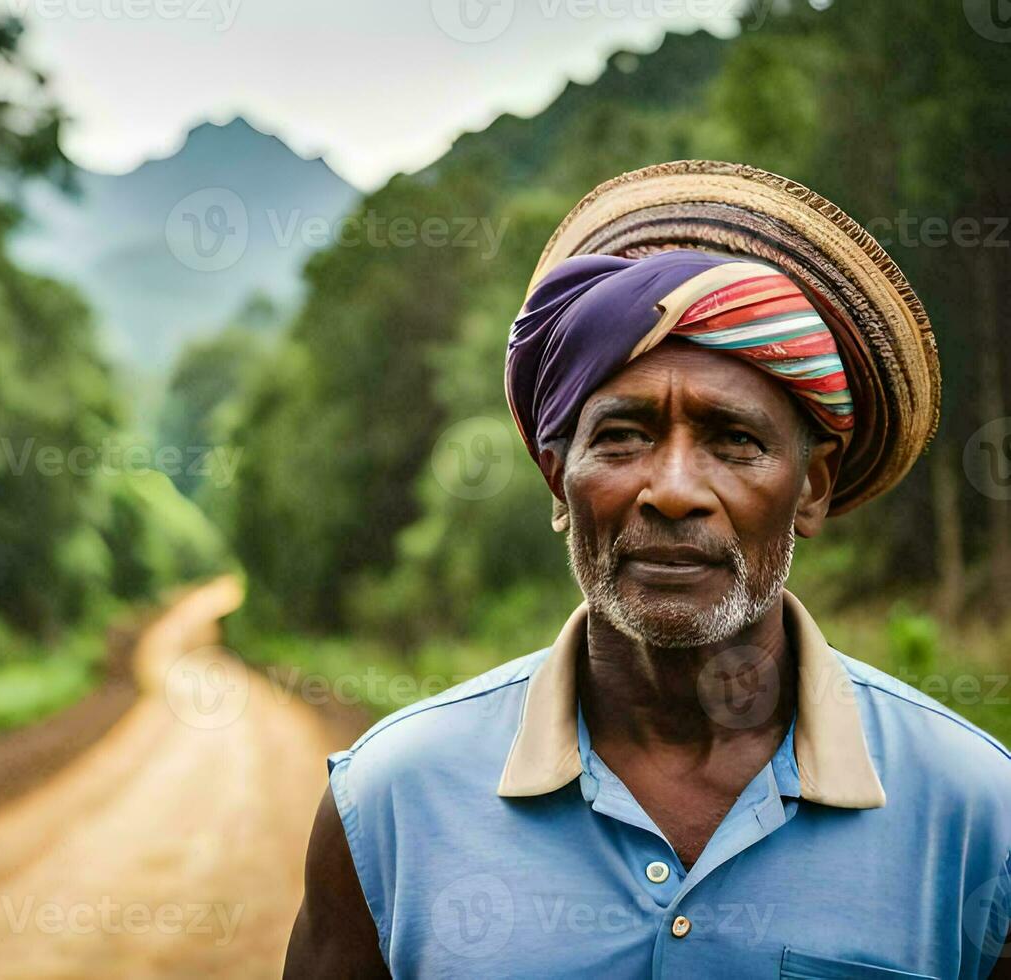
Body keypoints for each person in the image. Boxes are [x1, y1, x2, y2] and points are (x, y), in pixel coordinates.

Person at [284, 162, 1011, 979]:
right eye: (621, 436)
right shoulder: (391, 804)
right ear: (559, 480)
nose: (670, 491)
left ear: (810, 487)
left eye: (734, 440)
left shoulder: (976, 816)